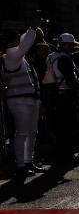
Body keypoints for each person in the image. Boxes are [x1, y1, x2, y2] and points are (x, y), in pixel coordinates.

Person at [1, 18, 45, 179]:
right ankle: (21, 164)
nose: (20, 41)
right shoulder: (12, 54)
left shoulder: (19, 57)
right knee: (22, 132)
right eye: (17, 38)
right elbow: (24, 45)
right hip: (19, 100)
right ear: (13, 41)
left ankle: (28, 162)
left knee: (32, 132)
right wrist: (32, 29)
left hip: (28, 99)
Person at [52, 33, 79, 165]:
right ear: (65, 44)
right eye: (71, 45)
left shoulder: (51, 56)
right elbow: (71, 81)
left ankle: (59, 155)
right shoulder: (65, 58)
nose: (73, 47)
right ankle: (67, 155)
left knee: (59, 127)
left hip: (55, 95)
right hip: (66, 95)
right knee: (68, 126)